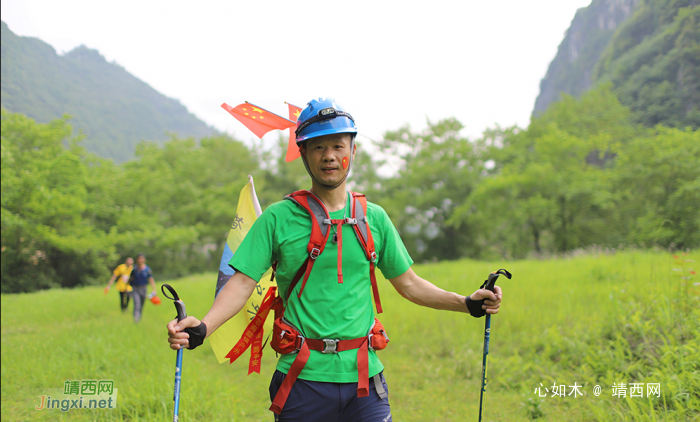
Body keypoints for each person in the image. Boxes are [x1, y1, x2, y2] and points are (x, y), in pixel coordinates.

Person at [167, 98, 503, 421]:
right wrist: (203, 328)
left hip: (364, 382)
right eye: (318, 147)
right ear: (303, 154)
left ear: (352, 150)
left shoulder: (375, 218)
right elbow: (241, 283)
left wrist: (467, 303)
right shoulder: (277, 219)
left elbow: (410, 284)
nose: (329, 156)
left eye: (338, 146)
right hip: (300, 381)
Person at [129, 253, 157, 323]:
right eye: (139, 259)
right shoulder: (134, 269)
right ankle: (136, 319)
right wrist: (127, 287)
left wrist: (154, 289)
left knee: (141, 304)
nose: (140, 260)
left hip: (144, 288)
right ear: (137, 260)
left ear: (144, 260)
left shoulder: (147, 269)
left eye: (142, 259)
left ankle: (139, 318)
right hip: (135, 288)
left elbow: (150, 279)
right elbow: (130, 278)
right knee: (137, 304)